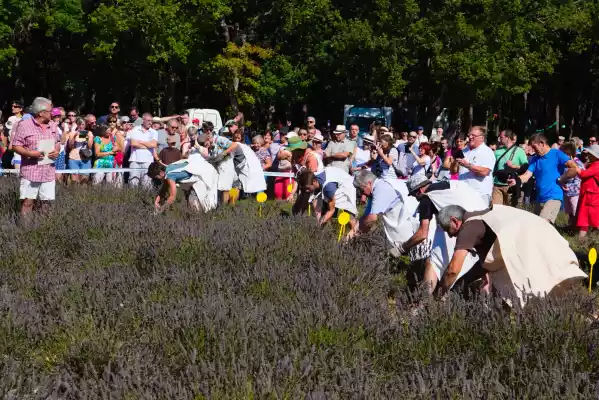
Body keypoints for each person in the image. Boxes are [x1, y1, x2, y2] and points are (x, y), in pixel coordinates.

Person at [435, 204, 586, 306]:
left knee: (538, 287)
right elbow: (486, 263)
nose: (449, 236)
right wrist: (460, 285)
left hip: (529, 241)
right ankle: (579, 307)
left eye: (448, 229)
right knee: (552, 280)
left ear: (455, 221)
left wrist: (438, 294)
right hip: (540, 233)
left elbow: (453, 269)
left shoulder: (469, 228)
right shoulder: (484, 215)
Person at [400, 174, 488, 294]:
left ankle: (425, 300)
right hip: (483, 221)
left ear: (420, 190)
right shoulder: (450, 184)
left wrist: (402, 248)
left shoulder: (427, 197)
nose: (416, 199)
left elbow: (422, 233)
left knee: (433, 262)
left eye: (415, 195)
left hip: (459, 226)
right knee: (483, 262)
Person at [508, 133, 577, 223]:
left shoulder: (557, 154)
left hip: (554, 197)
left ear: (542, 143)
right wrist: (516, 180)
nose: (533, 149)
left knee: (542, 224)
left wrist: (562, 178)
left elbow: (574, 168)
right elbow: (527, 175)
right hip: (540, 198)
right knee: (535, 225)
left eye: (534, 146)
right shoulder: (535, 159)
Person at [10, 97, 60, 217]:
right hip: (30, 172)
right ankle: (25, 230)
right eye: (50, 111)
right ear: (41, 113)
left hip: (48, 171)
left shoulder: (53, 125)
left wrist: (56, 151)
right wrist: (30, 153)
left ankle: (43, 230)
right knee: (27, 203)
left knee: (46, 203)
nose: (52, 113)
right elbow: (16, 146)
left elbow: (57, 143)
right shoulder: (24, 125)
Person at [352, 170, 419, 253]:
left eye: (362, 189)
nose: (362, 194)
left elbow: (372, 218)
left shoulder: (380, 188)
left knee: (409, 247)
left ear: (369, 183)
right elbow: (365, 216)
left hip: (405, 220)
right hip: (396, 221)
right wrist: (350, 234)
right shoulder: (373, 191)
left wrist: (358, 232)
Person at [147, 153, 219, 214]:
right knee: (194, 203)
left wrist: (160, 210)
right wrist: (157, 200)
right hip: (204, 170)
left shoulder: (169, 176)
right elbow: (165, 188)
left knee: (197, 207)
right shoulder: (168, 168)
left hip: (204, 175)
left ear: (161, 173)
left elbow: (172, 198)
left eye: (156, 177)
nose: (156, 179)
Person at [297, 167, 358, 232]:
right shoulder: (311, 177)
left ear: (314, 181)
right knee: (320, 205)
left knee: (348, 213)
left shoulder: (328, 188)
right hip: (335, 179)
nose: (307, 190)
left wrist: (318, 226)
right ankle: (321, 230)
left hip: (347, 184)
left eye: (308, 188)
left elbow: (331, 210)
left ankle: (355, 233)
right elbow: (316, 203)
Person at [458, 126, 495, 204]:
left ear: (482, 138)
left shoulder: (487, 152)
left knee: (478, 216)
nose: (470, 137)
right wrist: (454, 163)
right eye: (469, 135)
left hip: (479, 194)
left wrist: (468, 165)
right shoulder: (464, 150)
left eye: (473, 135)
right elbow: (454, 171)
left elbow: (485, 171)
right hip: (462, 193)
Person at [492, 129, 529, 206]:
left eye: (501, 137)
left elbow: (525, 167)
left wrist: (513, 166)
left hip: (510, 187)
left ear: (507, 138)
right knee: (496, 211)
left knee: (509, 213)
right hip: (497, 185)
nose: (499, 139)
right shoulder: (497, 151)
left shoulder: (519, 151)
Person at [573, 144, 599, 239]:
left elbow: (583, 174)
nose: (588, 156)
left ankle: (581, 240)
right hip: (590, 195)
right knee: (590, 218)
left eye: (590, 154)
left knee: (587, 218)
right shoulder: (594, 164)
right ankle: (586, 239)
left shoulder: (596, 165)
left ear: (595, 156)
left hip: (591, 196)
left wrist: (576, 168)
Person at [128, 113, 158, 188]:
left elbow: (154, 145)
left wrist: (141, 142)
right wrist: (148, 146)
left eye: (151, 121)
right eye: (148, 120)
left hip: (148, 161)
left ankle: (146, 199)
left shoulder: (154, 132)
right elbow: (133, 143)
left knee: (147, 184)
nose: (150, 122)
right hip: (135, 159)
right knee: (133, 182)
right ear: (143, 120)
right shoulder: (135, 129)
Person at [560, 142, 584, 229]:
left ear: (569, 154)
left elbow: (578, 177)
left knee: (575, 211)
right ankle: (571, 226)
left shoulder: (577, 163)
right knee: (569, 211)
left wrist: (565, 181)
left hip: (575, 192)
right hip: (567, 191)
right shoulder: (565, 163)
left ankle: (578, 228)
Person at [67, 117, 94, 183]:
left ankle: (83, 193)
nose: (81, 126)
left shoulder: (89, 133)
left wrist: (86, 137)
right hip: (73, 159)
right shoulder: (72, 133)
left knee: (84, 180)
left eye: (83, 124)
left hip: (85, 159)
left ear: (85, 125)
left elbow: (90, 146)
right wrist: (74, 136)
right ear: (76, 125)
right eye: (79, 124)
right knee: (74, 181)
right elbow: (70, 146)